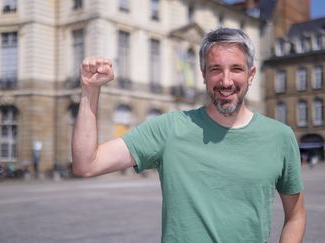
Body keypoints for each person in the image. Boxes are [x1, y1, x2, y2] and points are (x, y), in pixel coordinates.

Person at [72, 28, 306, 243]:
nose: (226, 81)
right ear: (203, 74)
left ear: (251, 74)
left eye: (236, 69)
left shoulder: (280, 137)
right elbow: (87, 164)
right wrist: (90, 90)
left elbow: (295, 216)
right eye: (215, 69)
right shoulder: (170, 128)